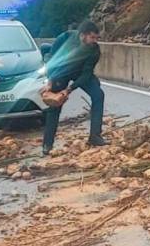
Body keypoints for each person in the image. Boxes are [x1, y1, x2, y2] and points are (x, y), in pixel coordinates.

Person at [41, 20, 106, 156]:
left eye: (96, 38)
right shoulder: (65, 38)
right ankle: (47, 144)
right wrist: (50, 81)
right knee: (55, 106)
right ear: (82, 35)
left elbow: (86, 74)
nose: (94, 41)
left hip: (80, 72)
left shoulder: (94, 50)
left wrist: (69, 90)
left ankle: (95, 136)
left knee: (98, 95)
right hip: (61, 72)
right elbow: (52, 59)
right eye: (92, 38)